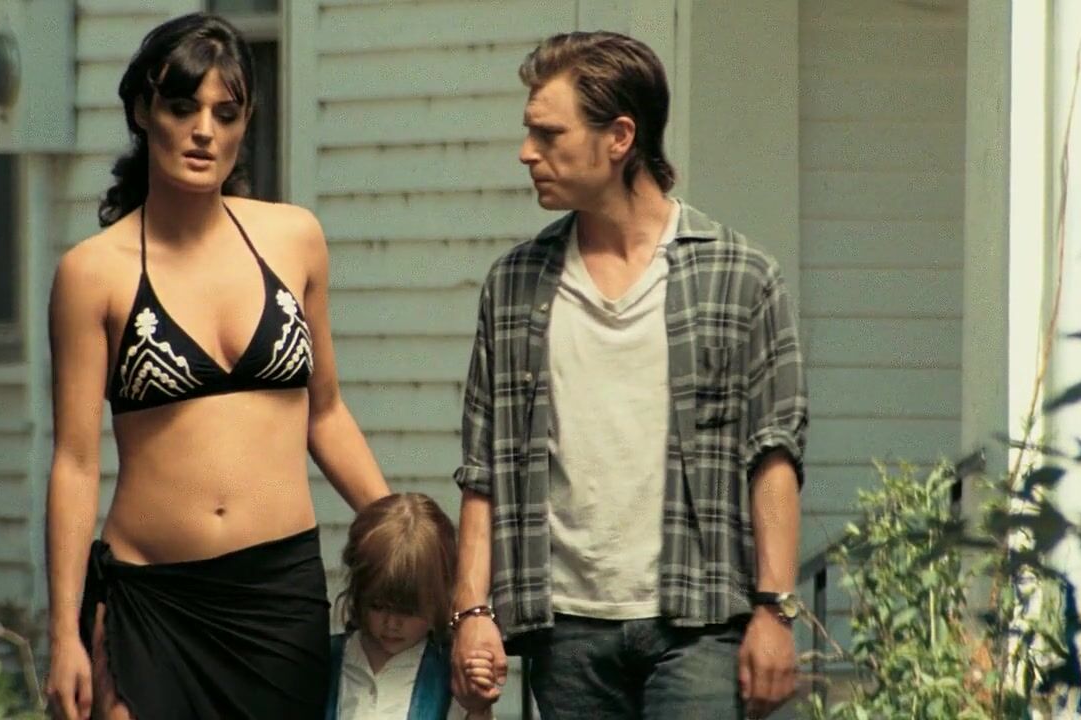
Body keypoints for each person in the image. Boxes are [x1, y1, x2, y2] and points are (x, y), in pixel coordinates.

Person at [448, 31, 809, 720]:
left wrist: (775, 610)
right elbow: (483, 466)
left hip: (700, 624)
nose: (527, 152)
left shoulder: (740, 277)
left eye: (549, 134)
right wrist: (471, 610)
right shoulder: (516, 285)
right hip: (566, 632)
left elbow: (774, 454)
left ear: (619, 137)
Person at [43, 13, 390, 720]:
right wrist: (62, 635)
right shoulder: (92, 272)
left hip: (278, 599)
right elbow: (75, 463)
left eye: (225, 113)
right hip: (154, 601)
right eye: (183, 107)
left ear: (245, 123)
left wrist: (399, 532)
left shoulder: (293, 237)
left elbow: (325, 414)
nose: (204, 130)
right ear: (144, 112)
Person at [326, 493, 497, 719]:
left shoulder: (450, 671)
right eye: (378, 606)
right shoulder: (328, 661)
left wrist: (477, 708)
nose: (392, 623)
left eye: (409, 611)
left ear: (439, 597)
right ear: (359, 592)